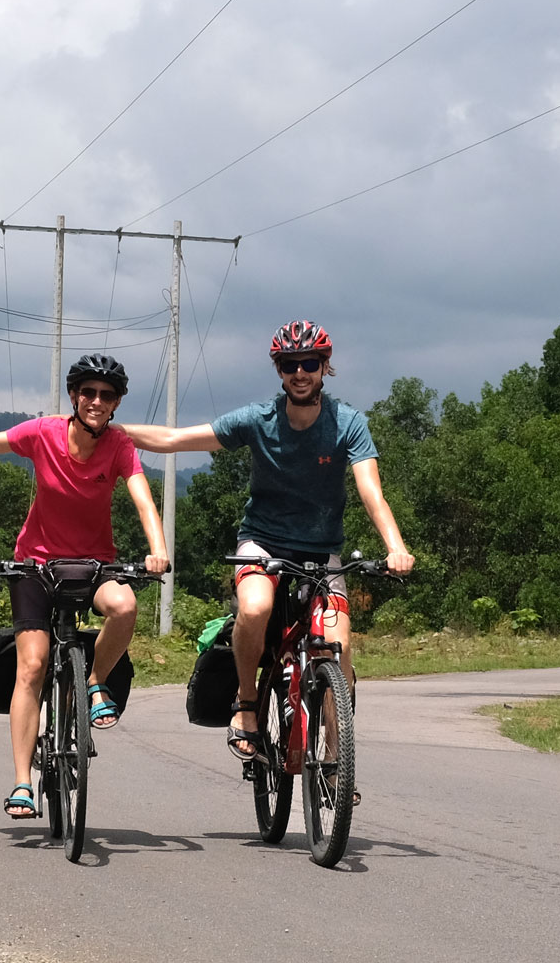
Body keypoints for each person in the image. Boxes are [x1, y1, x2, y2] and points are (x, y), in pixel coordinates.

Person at [122, 320, 414, 774]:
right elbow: (176, 440)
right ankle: (246, 701)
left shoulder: (349, 423)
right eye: (290, 364)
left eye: (310, 363)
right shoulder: (257, 420)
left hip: (320, 552)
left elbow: (371, 493)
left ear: (324, 368)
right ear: (279, 370)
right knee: (255, 609)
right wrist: (106, 427)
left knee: (338, 647)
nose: (301, 372)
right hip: (262, 542)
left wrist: (396, 547)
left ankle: (338, 761)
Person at [0, 353, 169, 821]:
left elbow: (144, 501)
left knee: (125, 606)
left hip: (92, 565)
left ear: (117, 403)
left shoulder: (120, 446)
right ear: (74, 396)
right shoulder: (42, 432)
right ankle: (23, 781)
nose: (96, 401)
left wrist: (157, 549)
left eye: (107, 395)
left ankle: (93, 683)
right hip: (36, 565)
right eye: (88, 392)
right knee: (33, 666)